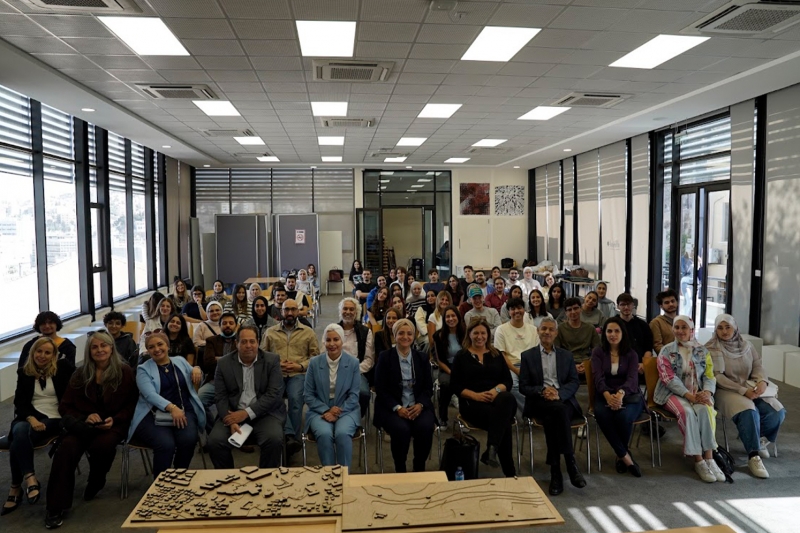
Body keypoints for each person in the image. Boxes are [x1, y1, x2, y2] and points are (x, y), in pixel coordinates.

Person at [45, 332, 138, 529]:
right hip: (84, 424)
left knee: (103, 445)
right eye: (94, 347)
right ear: (89, 351)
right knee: (65, 449)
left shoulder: (124, 371)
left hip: (114, 424)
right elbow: (65, 406)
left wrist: (115, 419)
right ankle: (55, 507)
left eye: (104, 346)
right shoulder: (80, 373)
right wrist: (84, 417)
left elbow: (132, 404)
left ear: (111, 348)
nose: (99, 350)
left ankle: (96, 480)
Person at [705, 314, 785, 479]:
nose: (724, 331)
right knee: (749, 411)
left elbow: (758, 365)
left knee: (777, 411)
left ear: (735, 327)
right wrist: (742, 390)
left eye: (728, 327)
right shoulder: (712, 348)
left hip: (750, 387)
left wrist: (762, 381)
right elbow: (717, 377)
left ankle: (757, 438)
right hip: (726, 390)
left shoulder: (747, 346)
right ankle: (753, 456)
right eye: (720, 328)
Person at [3, 338, 73, 516]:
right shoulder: (24, 372)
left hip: (55, 417)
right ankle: (30, 477)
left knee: (16, 439)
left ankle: (15, 487)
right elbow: (20, 402)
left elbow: (72, 394)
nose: (42, 355)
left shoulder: (62, 369)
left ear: (54, 355)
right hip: (31, 416)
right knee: (19, 431)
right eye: (39, 351)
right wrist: (31, 418)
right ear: (32, 352)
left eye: (47, 352)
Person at [519, 318, 586, 496]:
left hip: (563, 400)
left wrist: (559, 394)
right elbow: (524, 386)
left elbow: (574, 381)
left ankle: (556, 471)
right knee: (558, 411)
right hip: (539, 401)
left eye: (551, 329)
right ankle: (570, 463)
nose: (547, 332)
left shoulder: (566, 355)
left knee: (554, 416)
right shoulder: (528, 356)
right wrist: (542, 390)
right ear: (538, 331)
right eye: (544, 329)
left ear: (556, 333)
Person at [655, 315, 724, 483]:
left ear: (691, 329)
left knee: (705, 410)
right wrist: (689, 396)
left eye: (684, 327)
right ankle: (698, 460)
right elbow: (668, 379)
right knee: (687, 413)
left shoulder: (702, 351)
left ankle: (710, 457)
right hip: (671, 393)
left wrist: (707, 393)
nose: (680, 331)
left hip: (697, 393)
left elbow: (709, 376)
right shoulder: (666, 351)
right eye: (676, 327)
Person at [207, 326, 286, 469]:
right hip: (232, 413)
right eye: (243, 342)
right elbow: (220, 396)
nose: (248, 346)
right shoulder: (224, 363)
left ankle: (266, 476)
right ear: (236, 343)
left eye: (252, 341)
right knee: (215, 442)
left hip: (265, 414)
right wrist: (231, 421)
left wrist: (245, 413)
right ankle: (228, 478)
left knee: (274, 439)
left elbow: (274, 395)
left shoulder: (272, 360)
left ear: (258, 342)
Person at [129, 332, 204, 478]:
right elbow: (150, 395)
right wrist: (172, 408)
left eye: (160, 344)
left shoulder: (180, 361)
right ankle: (161, 483)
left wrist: (197, 369)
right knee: (165, 444)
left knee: (188, 439)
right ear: (147, 351)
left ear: (168, 346)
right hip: (152, 414)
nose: (156, 349)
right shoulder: (143, 369)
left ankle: (179, 476)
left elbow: (196, 376)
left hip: (184, 409)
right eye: (151, 347)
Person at [451, 318, 517, 476]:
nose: (479, 337)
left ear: (488, 335)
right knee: (504, 423)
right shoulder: (461, 356)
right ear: (469, 334)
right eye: (476, 333)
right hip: (472, 404)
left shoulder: (496, 354)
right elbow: (455, 385)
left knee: (507, 398)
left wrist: (495, 390)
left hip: (497, 400)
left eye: (483, 333)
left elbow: (507, 381)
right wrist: (476, 395)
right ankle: (509, 472)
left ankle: (492, 450)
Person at [373, 319, 436, 473]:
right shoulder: (385, 357)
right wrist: (397, 408)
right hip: (392, 407)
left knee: (426, 427)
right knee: (401, 429)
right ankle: (400, 468)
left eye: (409, 333)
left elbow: (428, 388)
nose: (405, 337)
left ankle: (419, 466)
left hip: (418, 405)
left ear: (414, 336)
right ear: (394, 335)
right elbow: (380, 389)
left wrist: (420, 404)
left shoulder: (422, 358)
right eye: (401, 333)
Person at [261, 299, 319, 456]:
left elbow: (315, 357)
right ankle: (289, 436)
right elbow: (262, 355)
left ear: (298, 311)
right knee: (274, 399)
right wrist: (276, 364)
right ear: (281, 312)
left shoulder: (308, 332)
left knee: (295, 399)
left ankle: (293, 440)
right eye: (286, 310)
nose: (290, 313)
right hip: (276, 374)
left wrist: (300, 366)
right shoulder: (270, 332)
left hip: (298, 374)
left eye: (293, 309)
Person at [590, 317, 644, 477]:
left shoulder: (632, 354)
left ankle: (621, 456)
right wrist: (608, 396)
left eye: (616, 331)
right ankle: (625, 456)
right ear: (604, 333)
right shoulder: (598, 352)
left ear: (623, 333)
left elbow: (632, 379)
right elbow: (598, 378)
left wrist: (620, 394)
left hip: (629, 394)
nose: (613, 334)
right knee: (602, 415)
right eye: (609, 331)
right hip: (604, 394)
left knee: (623, 417)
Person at [303, 324, 361, 468]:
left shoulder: (353, 363)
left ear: (342, 341)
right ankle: (329, 474)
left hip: (346, 409)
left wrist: (337, 412)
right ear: (324, 342)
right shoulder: (314, 363)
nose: (332, 344)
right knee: (324, 434)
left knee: (342, 433)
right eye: (328, 340)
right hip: (319, 410)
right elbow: (308, 395)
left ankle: (344, 475)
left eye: (336, 339)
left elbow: (354, 396)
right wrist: (326, 410)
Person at [494, 297, 539, 416]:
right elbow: (501, 355)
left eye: (519, 308)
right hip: (510, 366)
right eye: (513, 309)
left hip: (530, 366)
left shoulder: (533, 330)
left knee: (541, 385)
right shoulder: (501, 330)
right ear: (509, 312)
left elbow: (536, 353)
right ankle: (532, 413)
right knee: (513, 386)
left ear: (524, 310)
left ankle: (528, 414)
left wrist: (527, 370)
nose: (516, 311)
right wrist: (516, 370)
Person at [337, 297, 375, 418]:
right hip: (335, 370)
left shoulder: (366, 332)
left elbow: (369, 359)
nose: (348, 312)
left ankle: (354, 419)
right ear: (341, 311)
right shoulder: (333, 330)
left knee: (363, 393)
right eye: (345, 309)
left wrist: (354, 370)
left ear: (356, 312)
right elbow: (324, 353)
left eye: (351, 309)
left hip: (358, 371)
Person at [198, 312, 239, 421]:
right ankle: (211, 427)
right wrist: (231, 360)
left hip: (236, 382)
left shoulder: (240, 341)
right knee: (199, 399)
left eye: (231, 323)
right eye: (224, 323)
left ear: (236, 325)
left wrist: (218, 358)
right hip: (215, 380)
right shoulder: (211, 341)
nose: (228, 325)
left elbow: (241, 362)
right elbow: (208, 363)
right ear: (219, 325)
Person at [432, 306, 465, 426]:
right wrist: (453, 373)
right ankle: (443, 418)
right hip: (447, 368)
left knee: (467, 383)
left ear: (458, 317)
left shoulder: (466, 333)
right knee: (446, 384)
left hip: (464, 367)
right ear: (444, 319)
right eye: (448, 316)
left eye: (453, 316)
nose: (451, 319)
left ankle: (465, 417)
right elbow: (440, 361)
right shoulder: (438, 335)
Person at [555, 297, 600, 378]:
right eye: (569, 310)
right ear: (565, 313)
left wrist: (588, 364)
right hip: (566, 363)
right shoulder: (560, 329)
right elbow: (556, 351)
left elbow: (597, 350)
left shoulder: (590, 328)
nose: (573, 312)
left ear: (581, 309)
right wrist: (572, 366)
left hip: (586, 362)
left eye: (576, 308)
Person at [650, 288, 678, 353]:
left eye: (673, 301)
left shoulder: (683, 321)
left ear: (677, 303)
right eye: (667, 302)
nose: (671, 304)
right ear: (661, 306)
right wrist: (672, 355)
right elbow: (657, 345)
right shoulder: (656, 322)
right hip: (667, 357)